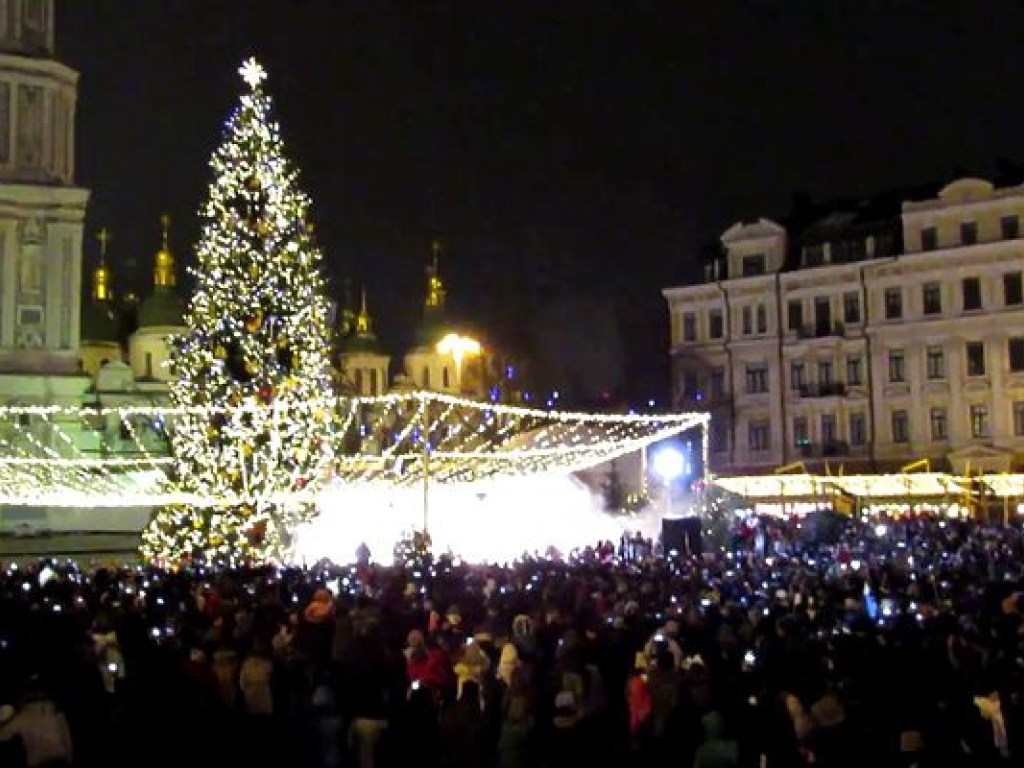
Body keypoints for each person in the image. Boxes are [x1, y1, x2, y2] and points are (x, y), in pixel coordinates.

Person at [0, 690, 74, 768]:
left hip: (40, 762)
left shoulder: (25, 716)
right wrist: (69, 757)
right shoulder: (57, 713)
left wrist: (5, 719)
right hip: (61, 759)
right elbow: (67, 737)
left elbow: (3, 734)